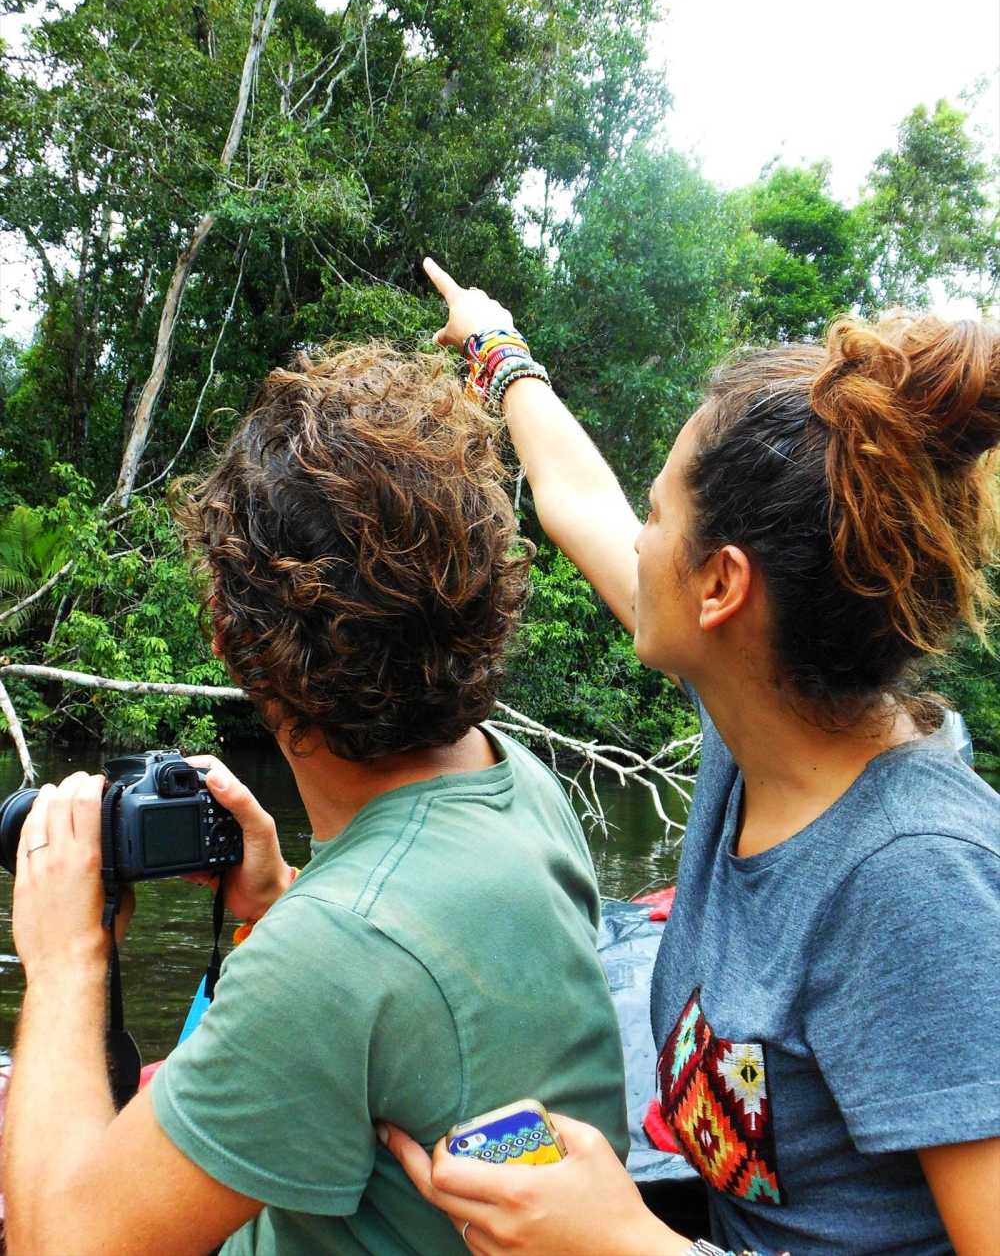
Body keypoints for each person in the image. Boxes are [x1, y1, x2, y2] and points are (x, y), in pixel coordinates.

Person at [380, 261, 1000, 1256]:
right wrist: (497, 349)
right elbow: (576, 501)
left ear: (720, 588)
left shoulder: (915, 883)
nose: (638, 536)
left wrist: (624, 1242)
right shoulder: (753, 722)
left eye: (658, 514)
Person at [0, 342, 629, 1256]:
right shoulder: (516, 775)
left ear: (233, 638)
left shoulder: (332, 953)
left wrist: (65, 963)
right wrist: (278, 901)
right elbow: (403, 994)